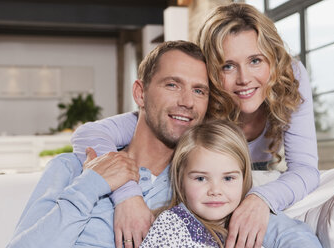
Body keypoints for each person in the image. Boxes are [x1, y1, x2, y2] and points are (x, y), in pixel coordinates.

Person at [71, 3, 320, 248]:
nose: (244, 79)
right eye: (228, 66)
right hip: (205, 185)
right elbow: (91, 134)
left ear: (273, 60)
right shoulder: (198, 102)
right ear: (211, 72)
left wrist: (260, 198)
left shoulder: (290, 78)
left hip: (251, 182)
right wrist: (127, 194)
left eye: (255, 60)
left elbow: (306, 169)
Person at [6, 40, 210, 248]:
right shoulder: (70, 168)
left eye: (199, 91)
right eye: (172, 85)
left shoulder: (201, 186)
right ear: (140, 93)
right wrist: (92, 185)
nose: (187, 101)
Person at [139, 120, 321, 248]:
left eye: (228, 178)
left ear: (243, 178)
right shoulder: (171, 225)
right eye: (201, 178)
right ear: (181, 179)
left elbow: (296, 237)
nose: (215, 191)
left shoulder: (253, 216)